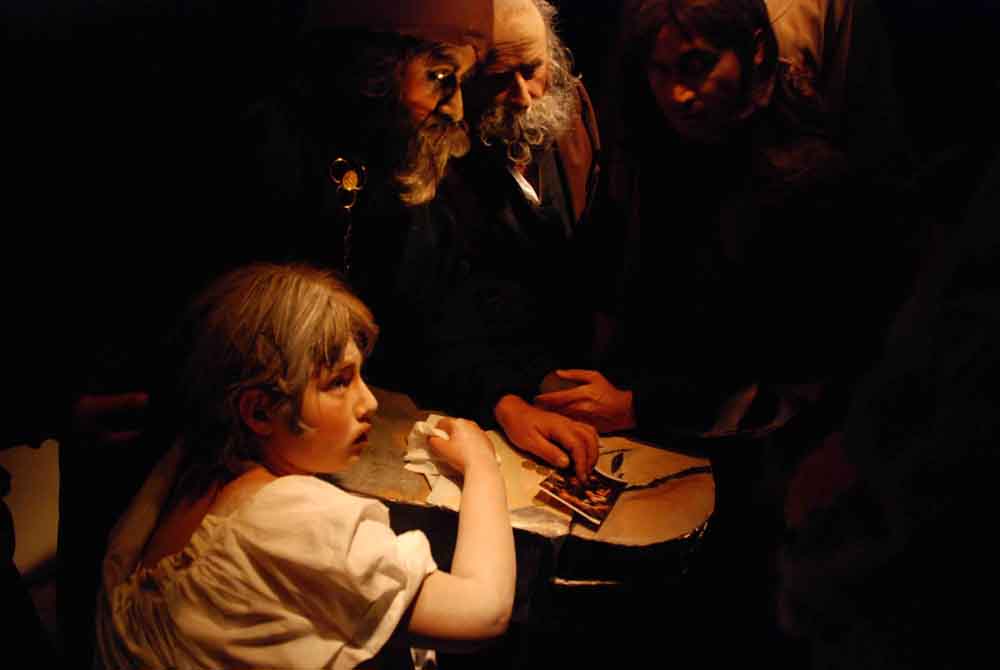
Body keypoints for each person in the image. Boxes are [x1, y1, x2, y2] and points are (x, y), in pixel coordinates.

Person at [59, 3, 494, 666]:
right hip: (186, 445)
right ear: (377, 69)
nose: (457, 109)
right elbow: (480, 610)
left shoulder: (384, 166)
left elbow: (435, 310)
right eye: (441, 76)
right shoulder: (247, 144)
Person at [95, 263, 516, 669]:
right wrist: (481, 464)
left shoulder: (182, 466)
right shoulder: (290, 520)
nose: (369, 402)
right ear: (259, 412)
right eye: (339, 382)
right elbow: (483, 612)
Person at [360, 0, 603, 481]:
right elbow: (432, 319)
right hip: (484, 395)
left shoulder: (573, 112)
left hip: (581, 388)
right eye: (500, 77)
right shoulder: (433, 160)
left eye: (533, 70)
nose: (524, 96)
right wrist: (506, 397)